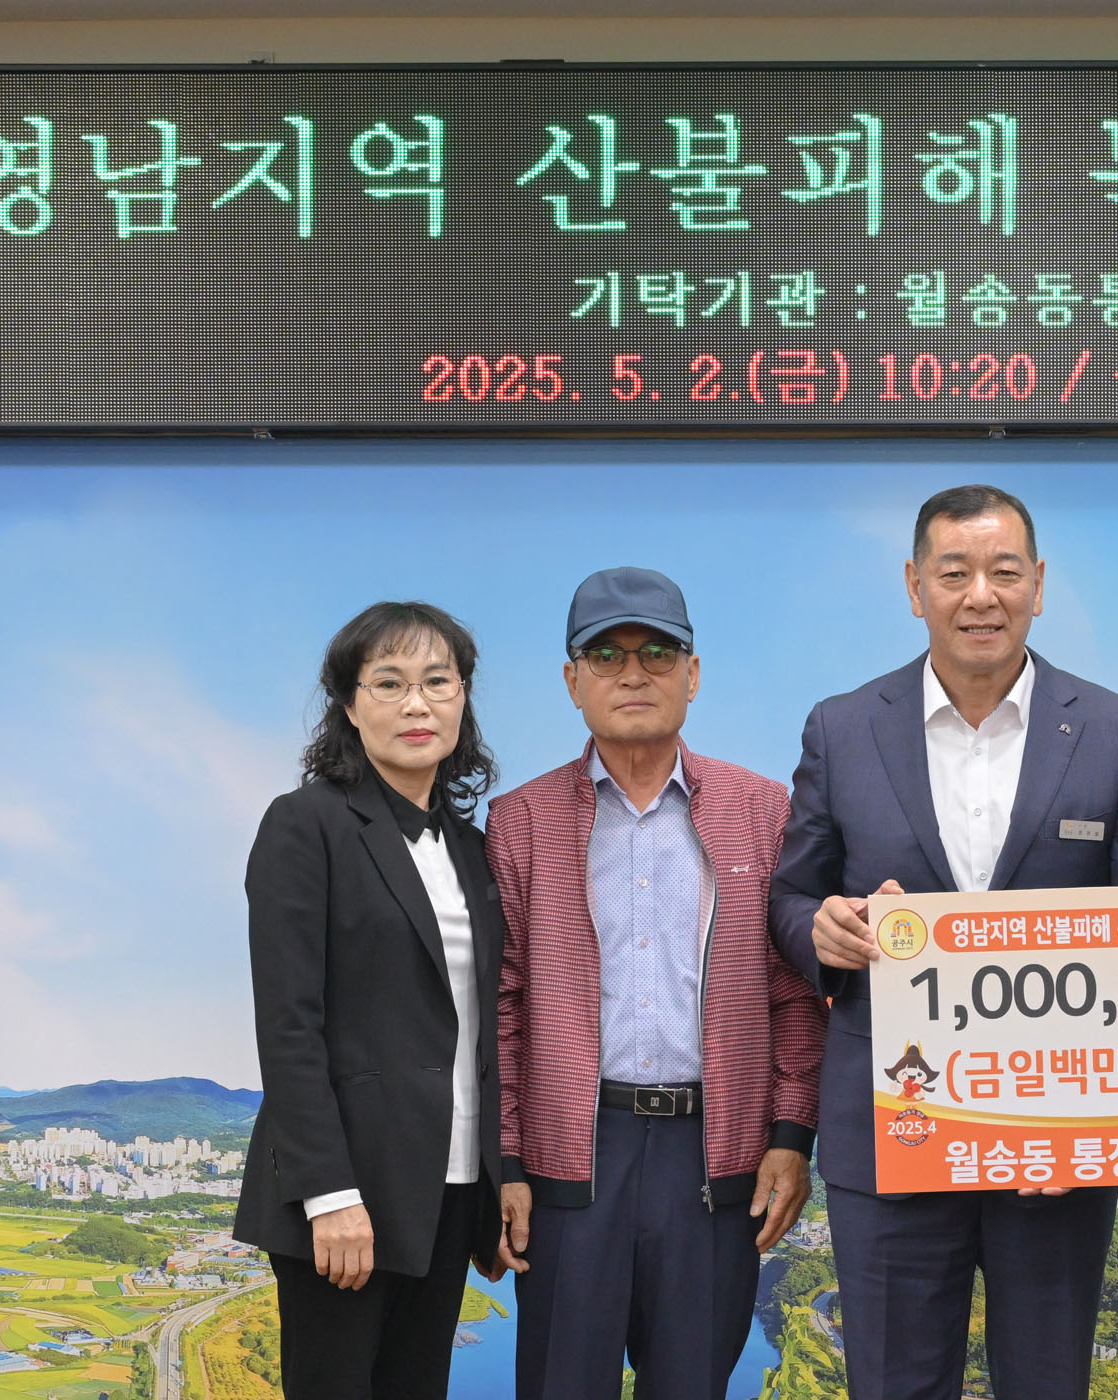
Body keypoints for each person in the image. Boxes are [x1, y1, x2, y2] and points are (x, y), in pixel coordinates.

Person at [770, 484, 1118, 1400]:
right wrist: (823, 929)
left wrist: (1093, 1129)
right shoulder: (843, 727)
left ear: (1038, 583)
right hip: (894, 1123)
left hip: (1058, 1137)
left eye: (1004, 572)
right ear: (914, 586)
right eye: (954, 573)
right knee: (894, 1381)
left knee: (1046, 1381)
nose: (981, 596)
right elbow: (792, 897)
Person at [486, 566, 826, 1400]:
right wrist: (507, 1160)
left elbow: (793, 994)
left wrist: (791, 1135)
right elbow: (503, 1007)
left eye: (657, 653)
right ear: (573, 681)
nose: (632, 673)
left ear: (693, 673)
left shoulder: (761, 810)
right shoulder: (519, 820)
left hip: (714, 1159)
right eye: (605, 655)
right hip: (572, 1159)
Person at [235, 601, 506, 1400]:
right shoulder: (305, 825)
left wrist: (494, 1188)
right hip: (348, 1199)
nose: (417, 703)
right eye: (389, 683)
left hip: (451, 1191)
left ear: (462, 698)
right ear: (350, 707)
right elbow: (289, 1026)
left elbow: (483, 1029)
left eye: (437, 682)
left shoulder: (473, 850)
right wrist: (330, 1194)